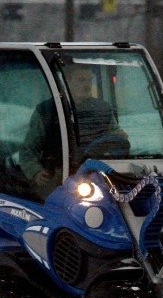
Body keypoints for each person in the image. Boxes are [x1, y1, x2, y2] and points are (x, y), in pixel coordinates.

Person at [21, 63, 127, 198]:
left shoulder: (102, 109)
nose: (87, 85)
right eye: (81, 80)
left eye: (89, 80)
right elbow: (27, 151)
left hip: (96, 177)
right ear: (67, 81)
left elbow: (115, 136)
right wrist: (36, 172)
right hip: (57, 179)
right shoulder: (46, 111)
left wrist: (120, 137)